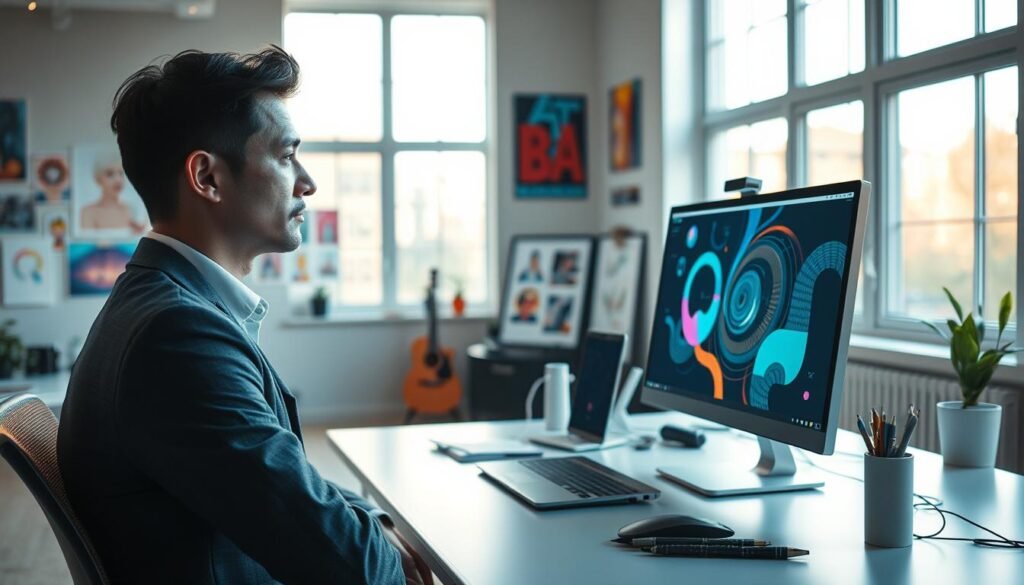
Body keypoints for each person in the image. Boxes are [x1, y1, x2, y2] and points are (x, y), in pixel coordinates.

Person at [57, 47, 432, 585]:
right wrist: (375, 542)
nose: (307, 183)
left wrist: (370, 515)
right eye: (285, 156)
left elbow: (287, 481)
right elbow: (353, 569)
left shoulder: (164, 305)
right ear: (207, 178)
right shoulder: (177, 336)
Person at [78, 153, 146, 233]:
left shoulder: (130, 210)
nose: (118, 180)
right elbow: (86, 243)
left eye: (121, 173)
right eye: (110, 174)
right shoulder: (88, 212)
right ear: (98, 178)